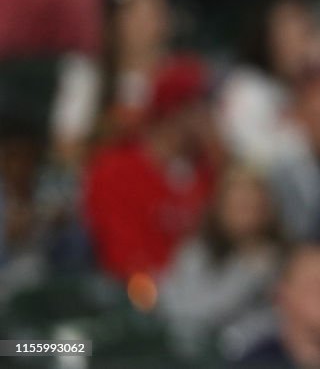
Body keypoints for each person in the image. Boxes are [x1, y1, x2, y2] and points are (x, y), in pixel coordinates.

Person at [83, 55, 220, 282]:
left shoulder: (208, 170)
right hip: (134, 298)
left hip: (199, 296)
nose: (211, 116)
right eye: (202, 105)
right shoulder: (115, 169)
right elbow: (121, 258)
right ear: (176, 112)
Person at [159, 165, 287, 358]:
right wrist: (248, 273)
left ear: (266, 209)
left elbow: (274, 323)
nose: (245, 215)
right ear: (219, 208)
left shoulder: (280, 260)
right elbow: (177, 306)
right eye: (237, 206)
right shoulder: (196, 252)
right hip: (187, 353)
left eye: (251, 207)